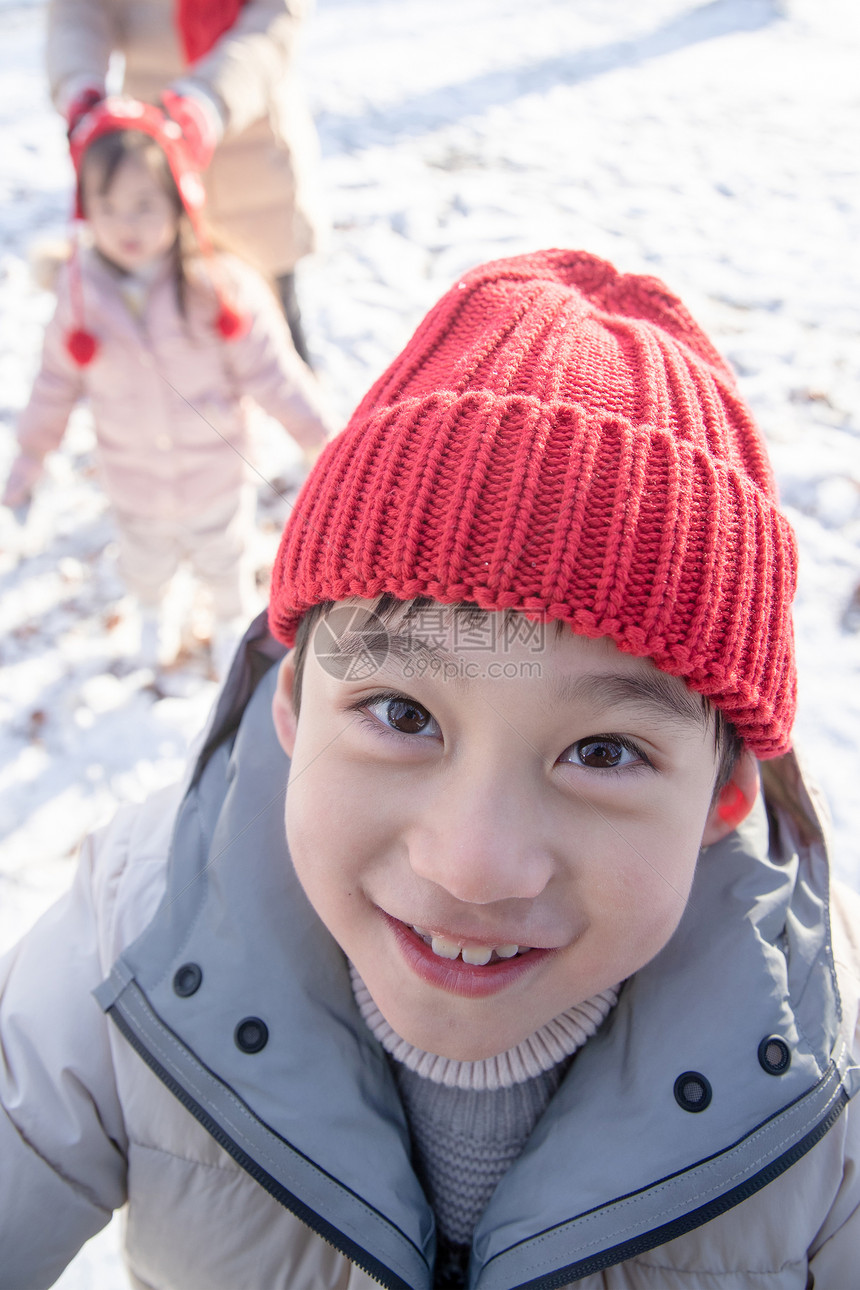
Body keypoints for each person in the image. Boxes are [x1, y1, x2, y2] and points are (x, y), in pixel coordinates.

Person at [2, 248, 859, 1289]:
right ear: (290, 706)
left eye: (602, 752)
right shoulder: (130, 929)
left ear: (721, 798)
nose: (472, 864)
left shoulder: (825, 1074)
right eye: (401, 714)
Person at [1, 98, 333, 674]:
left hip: (216, 474)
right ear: (85, 209)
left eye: (144, 205)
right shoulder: (80, 295)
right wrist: (31, 454)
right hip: (132, 479)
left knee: (223, 556)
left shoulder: (216, 289)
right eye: (108, 206)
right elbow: (55, 382)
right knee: (144, 560)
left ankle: (231, 620)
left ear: (180, 200)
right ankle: (155, 610)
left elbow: (273, 373)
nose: (126, 225)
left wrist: (324, 442)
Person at [45, 0, 322, 364]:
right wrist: (80, 86)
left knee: (276, 343)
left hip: (252, 153)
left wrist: (206, 101)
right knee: (173, 342)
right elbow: (77, 11)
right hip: (148, 166)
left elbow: (274, 23)